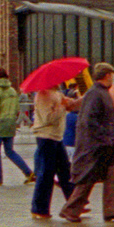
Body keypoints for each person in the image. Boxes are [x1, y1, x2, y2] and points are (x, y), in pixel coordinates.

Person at [60, 63, 114, 223]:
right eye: (111, 75)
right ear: (107, 76)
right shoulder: (95, 93)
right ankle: (70, 210)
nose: (112, 77)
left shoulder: (99, 92)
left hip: (103, 143)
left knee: (112, 175)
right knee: (88, 178)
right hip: (97, 144)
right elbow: (88, 120)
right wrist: (104, 136)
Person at [29, 88, 78, 219]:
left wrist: (69, 104)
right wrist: (61, 106)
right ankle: (39, 208)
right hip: (46, 136)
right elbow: (47, 118)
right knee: (46, 173)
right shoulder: (43, 94)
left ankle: (74, 204)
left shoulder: (57, 93)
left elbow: (64, 108)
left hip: (57, 136)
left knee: (65, 170)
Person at [0, 68, 33, 186]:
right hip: (10, 123)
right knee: (10, 151)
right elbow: (17, 108)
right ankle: (28, 172)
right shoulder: (12, 91)